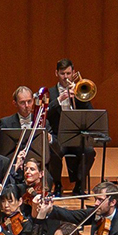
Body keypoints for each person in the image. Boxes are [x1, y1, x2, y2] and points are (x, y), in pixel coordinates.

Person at [46, 58, 96, 194]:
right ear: (56, 73)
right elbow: (44, 113)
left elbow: (90, 113)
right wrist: (59, 100)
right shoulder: (50, 93)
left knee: (90, 151)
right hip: (58, 136)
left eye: (68, 73)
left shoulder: (78, 89)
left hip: (77, 136)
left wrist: (80, 98)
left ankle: (79, 185)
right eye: (62, 73)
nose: (66, 77)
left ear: (73, 72)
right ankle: (57, 185)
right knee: (53, 151)